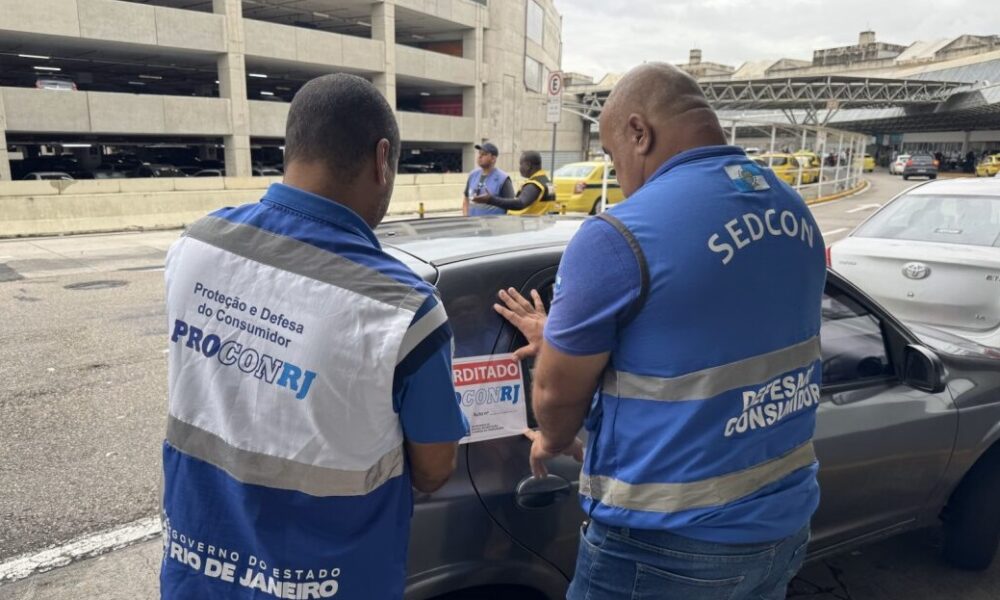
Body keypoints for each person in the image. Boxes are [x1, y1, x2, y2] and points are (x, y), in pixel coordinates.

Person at [495, 62, 826, 600]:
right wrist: (568, 333)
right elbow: (707, 327)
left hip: (667, 549)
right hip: (785, 526)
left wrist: (553, 439)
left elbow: (556, 390)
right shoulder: (792, 210)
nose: (616, 169)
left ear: (638, 132)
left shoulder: (620, 235)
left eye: (610, 153)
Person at [160, 73, 468, 600]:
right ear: (382, 158)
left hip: (195, 578)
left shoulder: (195, 247)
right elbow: (435, 467)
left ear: (292, 147)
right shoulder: (403, 309)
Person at [471, 150, 558, 215]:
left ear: (528, 165)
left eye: (521, 164)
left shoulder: (534, 185)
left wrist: (491, 200)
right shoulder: (547, 182)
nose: (519, 168)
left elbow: (520, 203)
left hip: (529, 230)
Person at [462, 142, 514, 216]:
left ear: (493, 159)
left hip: (493, 225)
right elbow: (466, 198)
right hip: (473, 224)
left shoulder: (503, 179)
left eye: (484, 154)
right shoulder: (473, 175)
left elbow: (511, 206)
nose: (480, 156)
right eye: (479, 153)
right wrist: (465, 216)